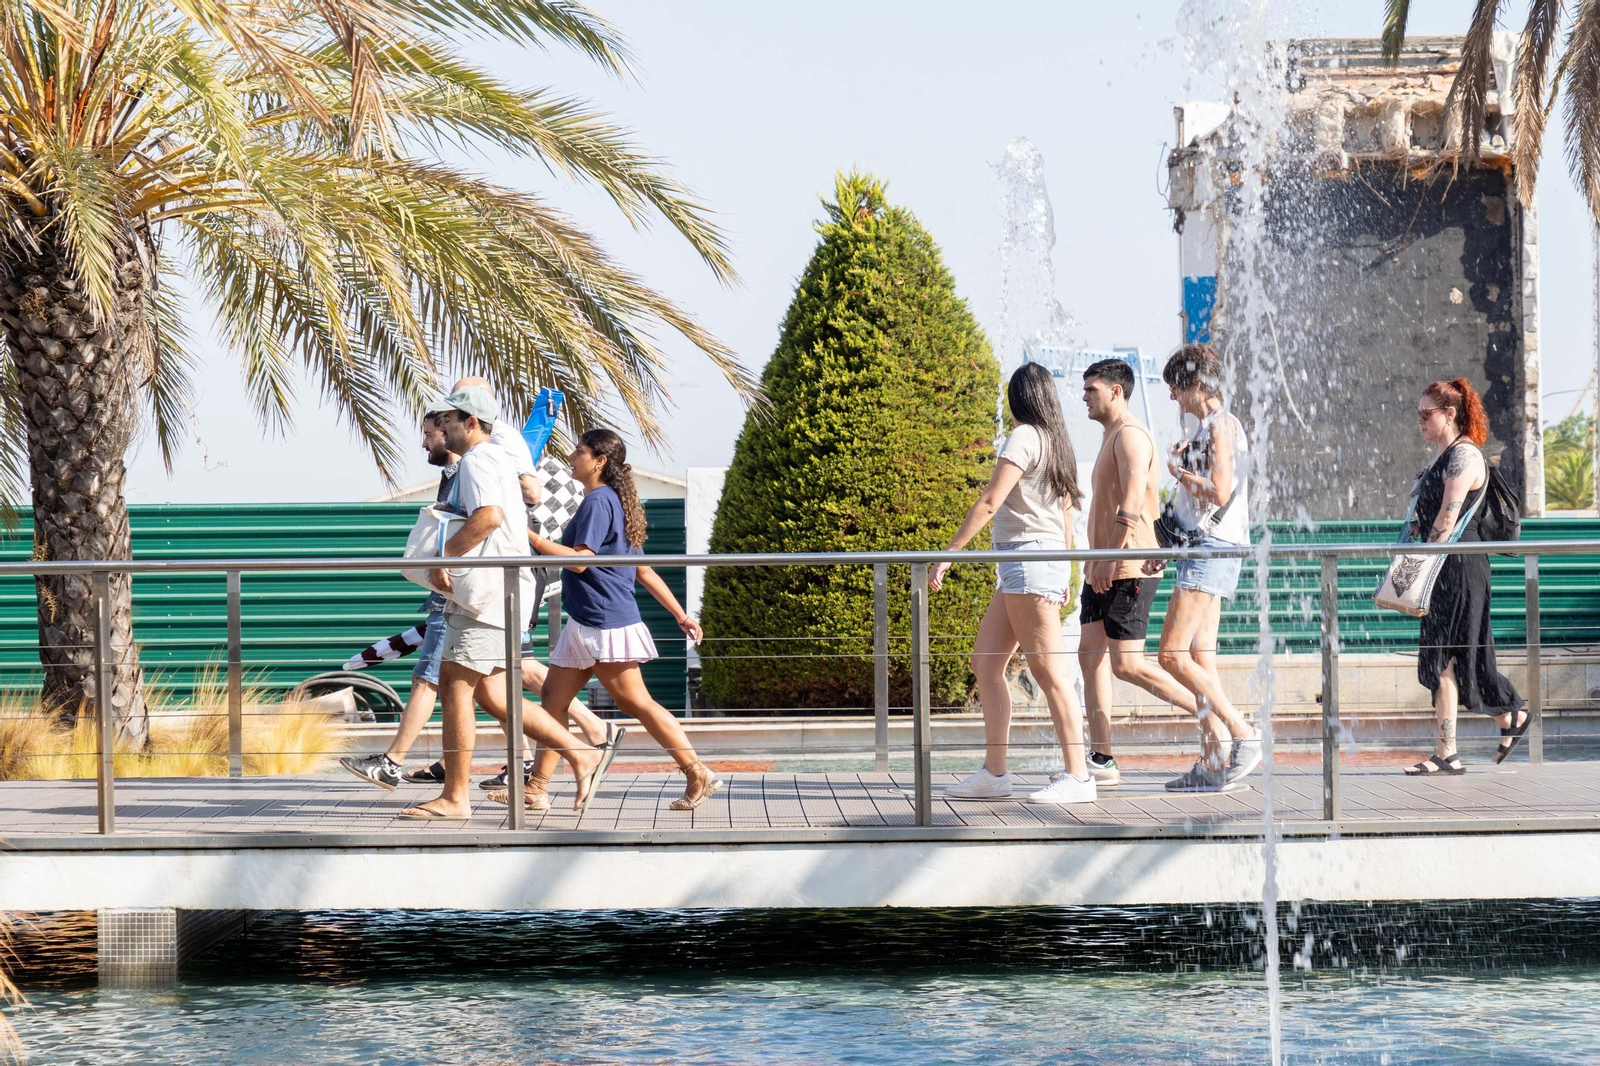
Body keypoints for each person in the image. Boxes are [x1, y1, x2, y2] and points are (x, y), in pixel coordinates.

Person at [340, 410, 615, 794]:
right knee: (494, 689)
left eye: (439, 428)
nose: (429, 440)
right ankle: (575, 750)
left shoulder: (478, 462)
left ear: (469, 422)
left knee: (447, 683)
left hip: (480, 593)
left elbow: (490, 517)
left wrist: (444, 557)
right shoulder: (493, 462)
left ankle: (440, 786)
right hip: (490, 592)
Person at [511, 429, 721, 812]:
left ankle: (696, 771)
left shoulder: (598, 501)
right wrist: (680, 615)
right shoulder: (611, 502)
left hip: (603, 621)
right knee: (553, 701)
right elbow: (642, 570)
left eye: (580, 451)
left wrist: (530, 538)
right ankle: (536, 788)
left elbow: (579, 559)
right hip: (587, 620)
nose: (573, 457)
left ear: (599, 461)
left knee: (636, 702)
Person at [929, 363, 1096, 804]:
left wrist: (948, 555)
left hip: (1028, 563)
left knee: (1049, 672)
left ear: (1017, 398)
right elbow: (1064, 515)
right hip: (1030, 566)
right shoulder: (1055, 443)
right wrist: (1064, 568)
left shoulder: (1024, 437)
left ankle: (1079, 777)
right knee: (985, 663)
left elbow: (988, 502)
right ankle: (995, 773)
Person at [1142, 345, 1262, 792]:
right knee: (1198, 657)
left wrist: (1178, 469)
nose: (1174, 399)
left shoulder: (1220, 425)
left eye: (1176, 389)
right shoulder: (1213, 427)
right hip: (1206, 547)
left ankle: (1243, 734)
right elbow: (1199, 505)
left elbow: (1219, 490)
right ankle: (1213, 761)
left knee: (1170, 654)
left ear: (1194, 384)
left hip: (1212, 550)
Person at [1079, 357, 1199, 783]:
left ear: (1116, 391)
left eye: (1091, 389)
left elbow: (1130, 504)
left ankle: (1212, 713)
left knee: (1126, 665)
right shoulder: (1110, 434)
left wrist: (1109, 560)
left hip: (1127, 567)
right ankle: (1101, 757)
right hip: (1101, 566)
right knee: (1089, 656)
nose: (1084, 397)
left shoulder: (1130, 435)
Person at [1403, 378, 1529, 776]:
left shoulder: (1464, 457)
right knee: (1456, 658)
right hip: (1448, 567)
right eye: (1418, 413)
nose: (1419, 421)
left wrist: (1415, 571)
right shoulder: (1443, 457)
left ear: (1449, 414)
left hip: (1455, 567)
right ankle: (1508, 719)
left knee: (1445, 659)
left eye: (1426, 414)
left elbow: (1446, 518)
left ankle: (1448, 753)